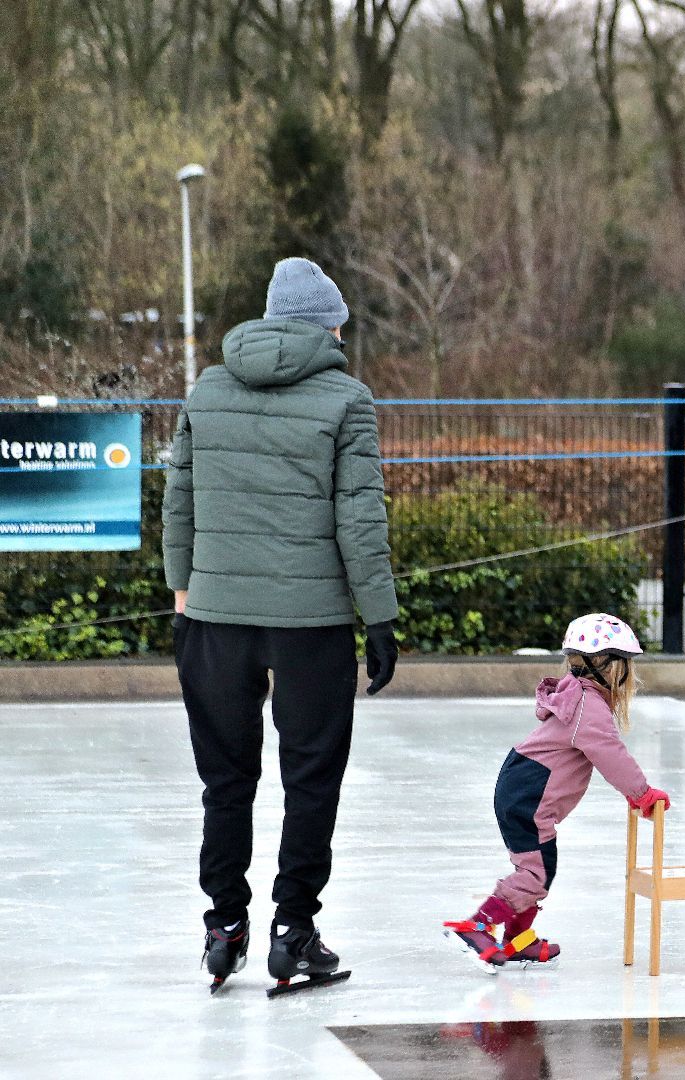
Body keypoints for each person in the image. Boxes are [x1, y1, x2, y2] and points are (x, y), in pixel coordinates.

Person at [163, 256, 400, 996]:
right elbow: (360, 517)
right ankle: (292, 930)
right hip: (311, 625)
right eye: (339, 322)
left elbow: (180, 498)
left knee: (225, 782)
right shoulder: (346, 399)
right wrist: (381, 617)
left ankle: (223, 925)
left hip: (214, 621)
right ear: (327, 324)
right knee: (310, 780)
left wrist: (182, 589)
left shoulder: (207, 388)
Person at [443, 614, 670, 972]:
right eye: (625, 665)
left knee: (540, 869)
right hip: (529, 795)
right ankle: (478, 926)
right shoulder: (588, 704)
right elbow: (609, 752)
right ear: (608, 667)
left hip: (522, 788)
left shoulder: (578, 694)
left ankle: (517, 941)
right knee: (534, 874)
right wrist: (641, 793)